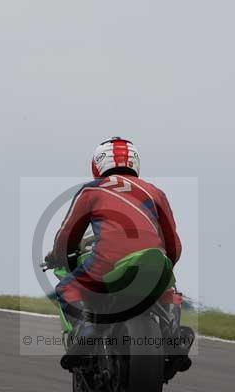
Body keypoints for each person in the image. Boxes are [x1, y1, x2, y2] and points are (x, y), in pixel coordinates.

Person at [45, 137, 192, 370]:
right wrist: (166, 268)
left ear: (98, 164)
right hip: (155, 262)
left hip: (107, 262)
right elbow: (174, 245)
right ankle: (174, 336)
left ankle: (85, 331)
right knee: (168, 290)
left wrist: (56, 256)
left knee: (67, 287)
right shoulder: (155, 193)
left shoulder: (91, 190)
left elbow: (67, 235)